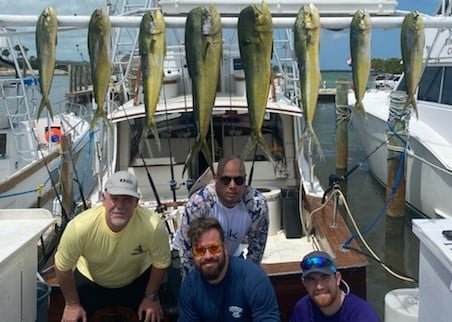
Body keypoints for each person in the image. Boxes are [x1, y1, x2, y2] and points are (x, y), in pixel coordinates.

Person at [54, 170, 171, 322]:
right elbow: (62, 267)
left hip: (136, 279)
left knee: (154, 315)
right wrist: (71, 304)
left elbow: (160, 263)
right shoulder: (80, 227)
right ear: (104, 199)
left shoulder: (153, 226)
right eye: (114, 199)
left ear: (137, 202)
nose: (120, 206)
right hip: (91, 280)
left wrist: (151, 296)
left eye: (127, 199)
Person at [175, 155, 269, 278]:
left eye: (238, 180)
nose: (232, 186)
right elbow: (187, 251)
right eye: (226, 180)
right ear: (216, 179)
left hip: (230, 256)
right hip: (196, 254)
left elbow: (256, 251)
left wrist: (246, 281)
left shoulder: (257, 205)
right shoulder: (199, 204)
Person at [178, 217, 281, 321]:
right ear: (192, 254)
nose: (208, 256)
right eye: (199, 250)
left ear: (225, 248)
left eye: (214, 248)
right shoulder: (189, 287)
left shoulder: (254, 279)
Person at [289, 251, 380, 322]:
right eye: (311, 280)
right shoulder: (302, 309)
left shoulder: (362, 314)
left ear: (337, 279)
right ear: (304, 283)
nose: (319, 286)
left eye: (325, 278)